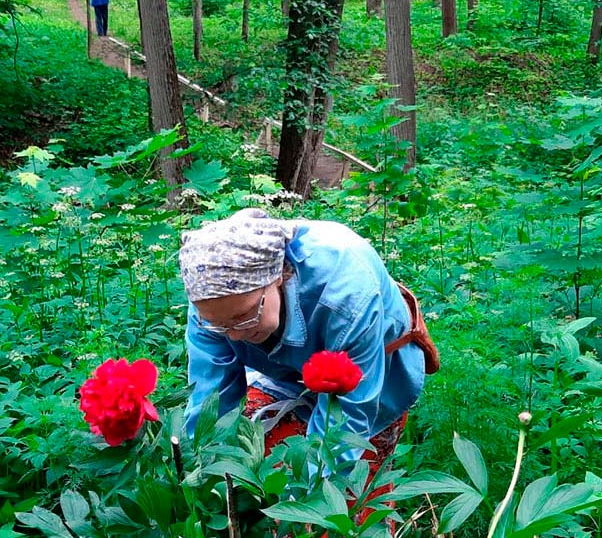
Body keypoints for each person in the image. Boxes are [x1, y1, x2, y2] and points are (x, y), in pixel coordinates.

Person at [178, 208, 439, 487]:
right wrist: (201, 478)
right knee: (266, 463)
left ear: (277, 276)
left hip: (370, 373)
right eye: (219, 325)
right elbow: (210, 402)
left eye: (244, 316)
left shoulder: (346, 298)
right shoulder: (212, 306)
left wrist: (306, 500)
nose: (233, 335)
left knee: (348, 492)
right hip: (284, 369)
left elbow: (347, 420)